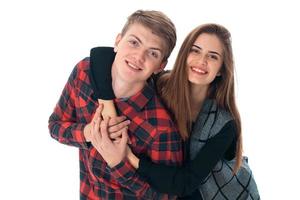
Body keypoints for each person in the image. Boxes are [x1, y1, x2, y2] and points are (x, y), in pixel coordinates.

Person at [91, 23, 260, 199]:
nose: (201, 61)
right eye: (195, 50)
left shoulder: (224, 124)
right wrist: (109, 112)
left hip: (216, 193)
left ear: (220, 70)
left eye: (212, 56)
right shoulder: (159, 84)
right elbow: (100, 56)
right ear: (184, 54)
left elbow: (185, 183)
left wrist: (126, 155)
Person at [48, 10, 184, 200]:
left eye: (152, 53)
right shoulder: (83, 72)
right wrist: (89, 134)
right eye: (134, 42)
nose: (139, 56)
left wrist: (118, 164)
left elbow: (167, 197)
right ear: (118, 41)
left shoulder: (161, 128)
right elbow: (55, 125)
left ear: (160, 66)